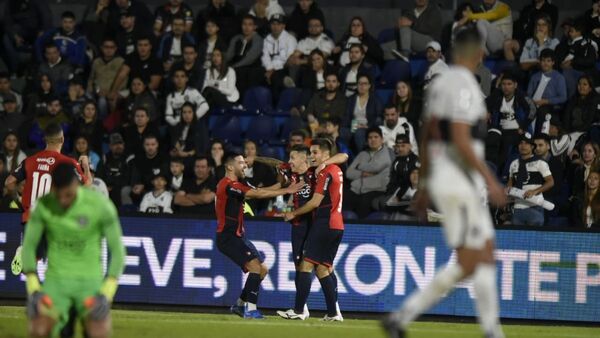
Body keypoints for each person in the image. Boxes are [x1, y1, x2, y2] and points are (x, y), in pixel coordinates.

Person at [382, 28, 506, 338]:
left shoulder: (440, 84)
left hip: (445, 178)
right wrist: (491, 180)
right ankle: (490, 330)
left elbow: (427, 134)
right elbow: (462, 139)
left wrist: (424, 185)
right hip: (461, 179)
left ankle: (402, 317)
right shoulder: (465, 85)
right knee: (474, 257)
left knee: (479, 256)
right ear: (477, 52)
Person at [21, 163, 124, 338]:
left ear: (77, 185)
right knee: (38, 330)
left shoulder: (99, 205)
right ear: (52, 187)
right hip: (56, 284)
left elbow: (118, 252)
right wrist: (33, 289)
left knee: (99, 332)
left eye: (68, 195)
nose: (62, 201)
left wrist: (107, 294)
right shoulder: (43, 206)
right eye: (58, 195)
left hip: (89, 283)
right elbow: (29, 247)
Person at [217, 153, 302, 319]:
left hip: (237, 235)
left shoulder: (238, 184)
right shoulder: (228, 185)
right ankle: (251, 309)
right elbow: (256, 195)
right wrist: (287, 190)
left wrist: (280, 183)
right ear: (229, 167)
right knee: (255, 268)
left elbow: (261, 190)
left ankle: (240, 305)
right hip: (228, 236)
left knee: (262, 270)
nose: (245, 166)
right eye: (240, 163)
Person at [271, 143, 347, 319]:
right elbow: (274, 166)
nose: (312, 156)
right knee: (322, 268)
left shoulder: (322, 171)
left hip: (321, 222)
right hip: (325, 223)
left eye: (315, 153)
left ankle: (300, 310)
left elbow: (314, 202)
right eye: (311, 153)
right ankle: (332, 312)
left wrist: (292, 214)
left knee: (307, 265)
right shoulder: (329, 170)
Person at [6, 123, 91, 276]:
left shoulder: (30, 160)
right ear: (62, 139)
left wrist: (18, 201)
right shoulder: (67, 163)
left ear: (45, 139)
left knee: (31, 263)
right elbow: (87, 186)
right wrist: (85, 166)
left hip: (31, 217)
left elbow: (9, 182)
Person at [488, 72, 535, 166]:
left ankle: (502, 171)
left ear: (515, 85)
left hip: (518, 129)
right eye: (504, 84)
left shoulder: (522, 96)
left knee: (506, 141)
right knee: (490, 139)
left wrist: (523, 126)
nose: (506, 87)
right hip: (499, 128)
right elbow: (484, 104)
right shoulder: (497, 94)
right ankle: (490, 167)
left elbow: (533, 110)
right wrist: (487, 111)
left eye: (509, 84)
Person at [507, 133, 554, 226]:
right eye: (521, 143)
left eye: (527, 143)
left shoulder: (540, 163)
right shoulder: (514, 163)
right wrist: (508, 191)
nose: (523, 146)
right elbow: (510, 182)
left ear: (532, 146)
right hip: (517, 207)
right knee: (518, 238)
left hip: (534, 205)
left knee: (534, 238)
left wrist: (534, 191)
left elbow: (550, 182)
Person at [345, 127, 392, 218]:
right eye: (370, 138)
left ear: (382, 139)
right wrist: (361, 174)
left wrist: (360, 166)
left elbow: (376, 167)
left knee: (364, 203)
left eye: (376, 137)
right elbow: (348, 172)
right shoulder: (362, 154)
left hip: (376, 189)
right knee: (344, 200)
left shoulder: (387, 153)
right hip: (357, 189)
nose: (373, 140)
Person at [1, 0, 52, 74]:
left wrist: (42, 32)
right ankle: (17, 68)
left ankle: (39, 68)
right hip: (21, 31)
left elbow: (46, 17)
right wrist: (14, 36)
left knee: (46, 37)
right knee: (6, 39)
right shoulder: (10, 3)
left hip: (38, 30)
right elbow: (7, 22)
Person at [373, 134, 420, 211]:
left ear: (410, 146)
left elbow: (411, 183)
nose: (400, 149)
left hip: (410, 193)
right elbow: (393, 180)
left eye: (403, 146)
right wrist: (388, 194)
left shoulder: (415, 161)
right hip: (396, 192)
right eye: (398, 146)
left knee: (385, 204)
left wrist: (398, 196)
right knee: (375, 202)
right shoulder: (397, 161)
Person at [555, 20, 599, 98]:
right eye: (567, 30)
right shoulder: (564, 45)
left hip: (588, 74)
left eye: (571, 31)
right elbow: (561, 61)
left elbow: (590, 61)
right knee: (564, 73)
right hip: (574, 72)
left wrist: (572, 62)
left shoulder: (588, 44)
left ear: (579, 32)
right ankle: (571, 100)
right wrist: (563, 64)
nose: (569, 33)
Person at [526, 49, 567, 132]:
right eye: (543, 60)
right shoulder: (535, 76)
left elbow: (563, 97)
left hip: (550, 106)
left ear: (553, 62)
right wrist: (531, 102)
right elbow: (528, 94)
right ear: (540, 62)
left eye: (548, 61)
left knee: (542, 110)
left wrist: (546, 101)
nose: (545, 63)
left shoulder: (559, 77)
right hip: (533, 103)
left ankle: (537, 136)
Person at [225, 15, 264, 97]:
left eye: (250, 25)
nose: (246, 27)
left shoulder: (258, 39)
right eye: (244, 24)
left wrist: (234, 67)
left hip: (251, 67)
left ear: (255, 27)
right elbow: (229, 55)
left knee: (242, 73)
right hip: (236, 66)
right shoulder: (236, 38)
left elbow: (250, 59)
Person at [262, 14, 297, 102]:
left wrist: (273, 71)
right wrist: (270, 69)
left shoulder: (290, 39)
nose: (275, 27)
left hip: (284, 68)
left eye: (278, 24)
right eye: (273, 24)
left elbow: (289, 59)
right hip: (269, 68)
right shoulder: (267, 39)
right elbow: (264, 56)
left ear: (283, 26)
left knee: (276, 78)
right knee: (255, 75)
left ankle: (277, 107)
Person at [87, 37, 126, 118]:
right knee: (86, 97)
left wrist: (110, 92)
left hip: (113, 93)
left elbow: (124, 80)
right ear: (102, 48)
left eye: (111, 47)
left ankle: (102, 124)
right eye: (106, 47)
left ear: (115, 48)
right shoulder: (96, 62)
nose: (109, 50)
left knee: (102, 101)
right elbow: (91, 79)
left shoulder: (120, 62)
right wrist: (92, 91)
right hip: (97, 91)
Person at [344, 74, 383, 152]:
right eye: (360, 83)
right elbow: (347, 116)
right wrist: (350, 126)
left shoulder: (375, 100)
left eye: (365, 84)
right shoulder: (351, 99)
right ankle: (346, 158)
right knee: (343, 132)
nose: (362, 86)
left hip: (368, 127)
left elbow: (379, 117)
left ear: (369, 86)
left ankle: (362, 156)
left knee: (359, 133)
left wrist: (368, 126)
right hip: (353, 126)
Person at [127, 134, 169, 205]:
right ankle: (131, 213)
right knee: (126, 190)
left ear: (157, 145)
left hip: (158, 188)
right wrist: (137, 186)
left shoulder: (164, 159)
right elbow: (135, 178)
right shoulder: (138, 160)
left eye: (153, 144)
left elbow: (164, 179)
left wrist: (145, 185)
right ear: (143, 146)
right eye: (147, 145)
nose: (150, 147)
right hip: (142, 189)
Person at [533, 133, 564, 212]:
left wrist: (538, 193)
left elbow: (556, 186)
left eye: (540, 145)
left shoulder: (556, 163)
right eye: (535, 145)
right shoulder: (531, 161)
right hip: (532, 196)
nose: (537, 148)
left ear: (548, 146)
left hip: (548, 198)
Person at [99, 133, 130, 207]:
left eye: (120, 143)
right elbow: (99, 176)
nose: (118, 146)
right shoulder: (105, 158)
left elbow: (128, 178)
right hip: (106, 187)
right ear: (110, 146)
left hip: (121, 187)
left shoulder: (128, 158)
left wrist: (113, 186)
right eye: (115, 144)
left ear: (123, 144)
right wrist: (105, 186)